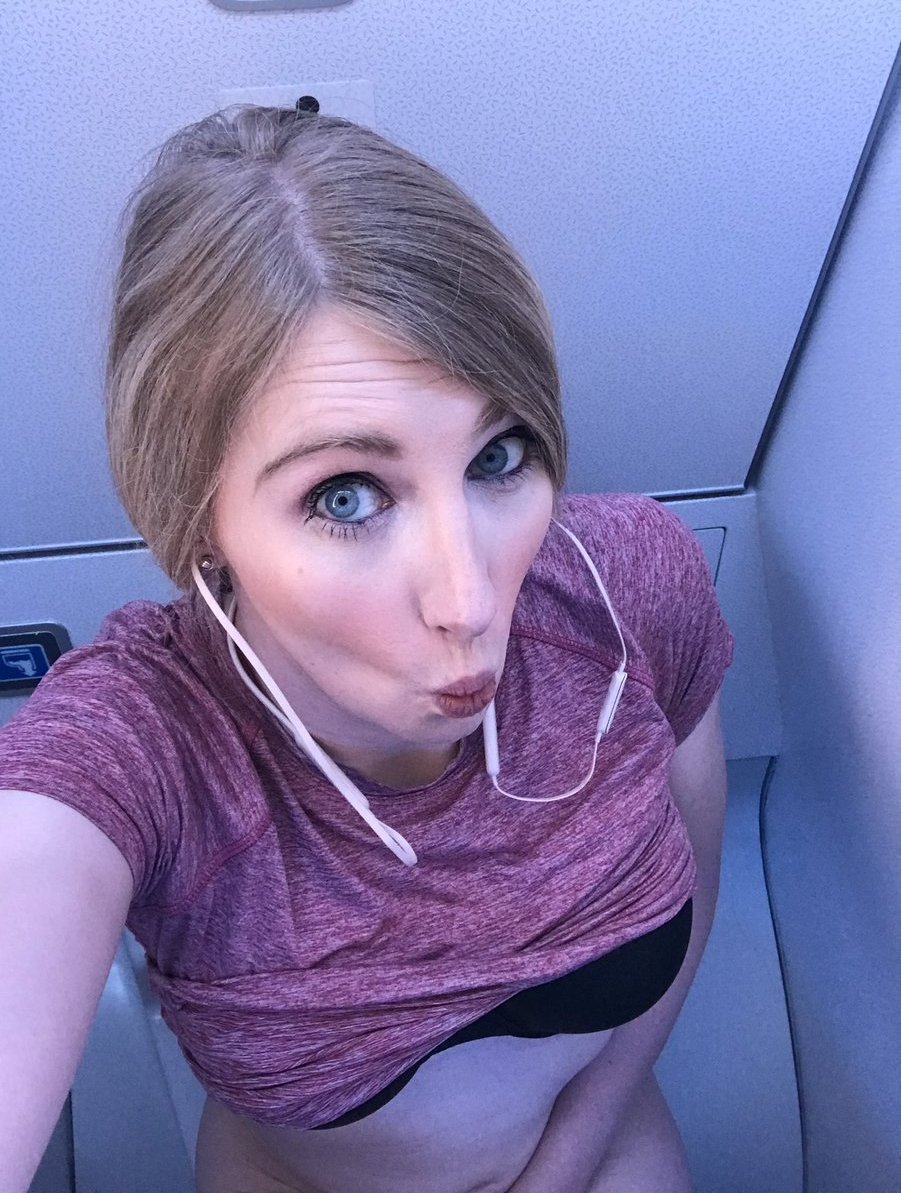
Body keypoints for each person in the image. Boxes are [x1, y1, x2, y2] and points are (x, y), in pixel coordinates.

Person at [0, 104, 733, 1193]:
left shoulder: (627, 591)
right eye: (347, 494)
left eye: (497, 456)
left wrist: (569, 1161)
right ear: (197, 516)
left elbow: (696, 881)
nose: (469, 598)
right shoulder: (142, 747)